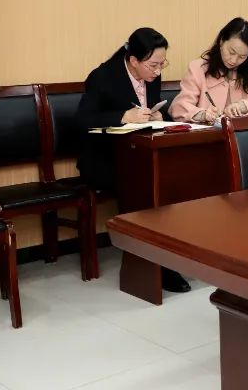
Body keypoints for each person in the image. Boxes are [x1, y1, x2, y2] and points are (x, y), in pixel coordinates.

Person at [76, 28, 190, 294]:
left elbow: (151, 111)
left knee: (173, 178)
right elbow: (83, 120)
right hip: (104, 159)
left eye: (162, 64)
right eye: (153, 65)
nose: (158, 71)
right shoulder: (103, 77)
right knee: (148, 184)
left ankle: (169, 255)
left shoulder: (151, 76)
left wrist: (159, 117)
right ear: (134, 60)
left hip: (140, 155)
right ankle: (154, 264)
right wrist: (122, 116)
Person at [170, 18, 248, 123]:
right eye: (231, 52)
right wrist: (202, 114)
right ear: (221, 41)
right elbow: (178, 108)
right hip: (208, 133)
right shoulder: (198, 68)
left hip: (240, 133)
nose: (234, 61)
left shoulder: (247, 71)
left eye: (242, 56)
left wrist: (243, 106)